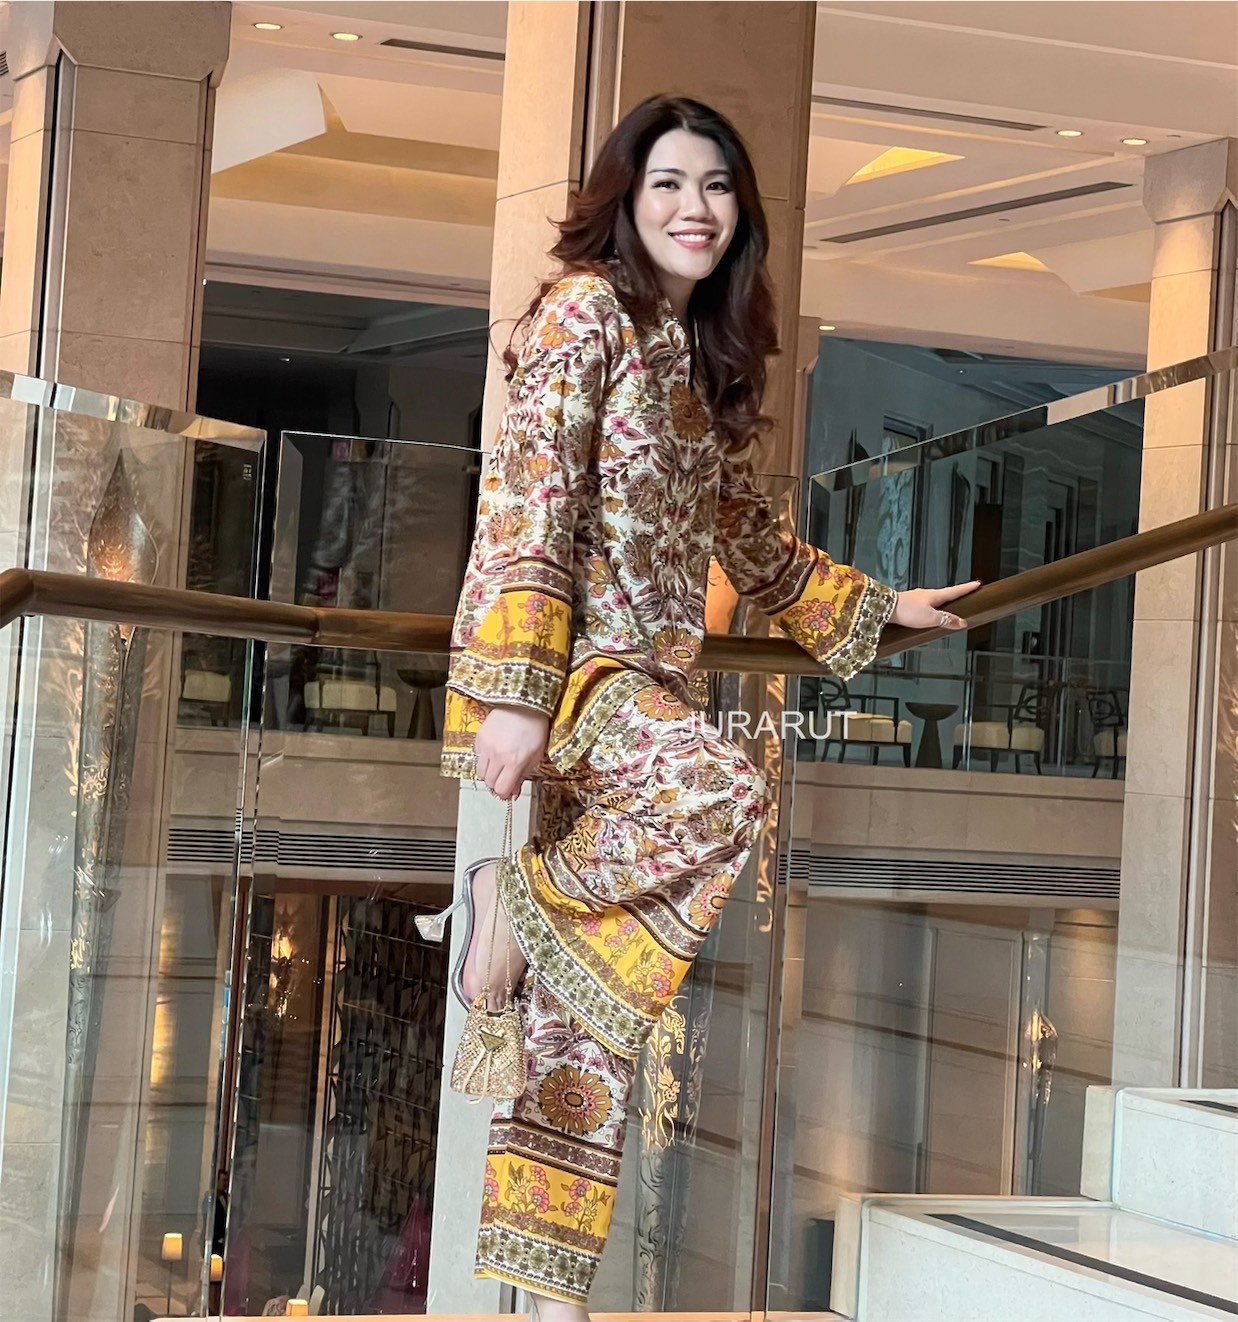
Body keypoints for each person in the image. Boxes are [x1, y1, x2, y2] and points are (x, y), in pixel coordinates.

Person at [425, 94, 977, 1319]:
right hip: (576, 676)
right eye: (668, 183)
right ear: (624, 198)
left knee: (589, 1010)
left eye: (716, 186)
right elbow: (526, 499)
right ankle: (503, 895)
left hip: (649, 681)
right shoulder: (584, 312)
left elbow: (744, 531)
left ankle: (548, 1296)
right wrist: (516, 695)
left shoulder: (692, 349)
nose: (694, 207)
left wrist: (874, 605)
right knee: (725, 790)